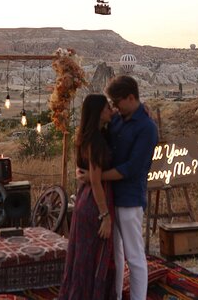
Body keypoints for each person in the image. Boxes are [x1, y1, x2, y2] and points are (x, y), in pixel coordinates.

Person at [78, 75, 159, 300]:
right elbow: (97, 126)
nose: (114, 107)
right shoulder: (119, 119)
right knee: (115, 254)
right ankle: (114, 294)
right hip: (111, 196)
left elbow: (131, 168)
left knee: (134, 256)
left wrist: (95, 177)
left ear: (130, 98)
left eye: (117, 102)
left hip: (130, 198)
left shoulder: (147, 128)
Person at [58, 94, 116, 300]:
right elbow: (97, 181)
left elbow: (91, 176)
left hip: (85, 199)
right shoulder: (96, 142)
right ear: (99, 112)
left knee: (82, 258)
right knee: (92, 259)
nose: (112, 110)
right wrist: (106, 217)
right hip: (94, 204)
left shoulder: (87, 136)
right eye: (108, 107)